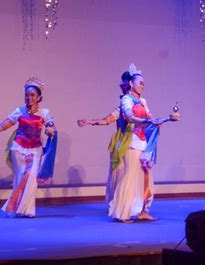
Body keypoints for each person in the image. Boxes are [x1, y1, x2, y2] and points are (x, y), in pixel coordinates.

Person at [0, 77, 57, 217]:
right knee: (20, 177)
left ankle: (28, 209)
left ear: (39, 98)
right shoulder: (19, 111)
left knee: (31, 178)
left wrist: (51, 130)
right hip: (19, 148)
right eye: (27, 95)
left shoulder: (44, 113)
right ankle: (17, 208)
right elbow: (3, 125)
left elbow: (50, 125)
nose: (29, 97)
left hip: (35, 149)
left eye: (32, 95)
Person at [108, 64, 179, 222]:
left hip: (143, 143)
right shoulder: (127, 99)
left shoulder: (143, 101)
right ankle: (122, 212)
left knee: (146, 178)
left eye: (143, 83)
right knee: (130, 175)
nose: (142, 85)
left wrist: (169, 118)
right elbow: (129, 117)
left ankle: (142, 211)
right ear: (131, 84)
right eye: (139, 82)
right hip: (131, 142)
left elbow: (152, 120)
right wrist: (146, 120)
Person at [77, 71, 131, 208]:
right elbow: (107, 120)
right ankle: (117, 204)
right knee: (119, 172)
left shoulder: (140, 106)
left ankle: (131, 204)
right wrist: (89, 122)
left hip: (136, 142)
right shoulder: (121, 109)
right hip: (122, 141)